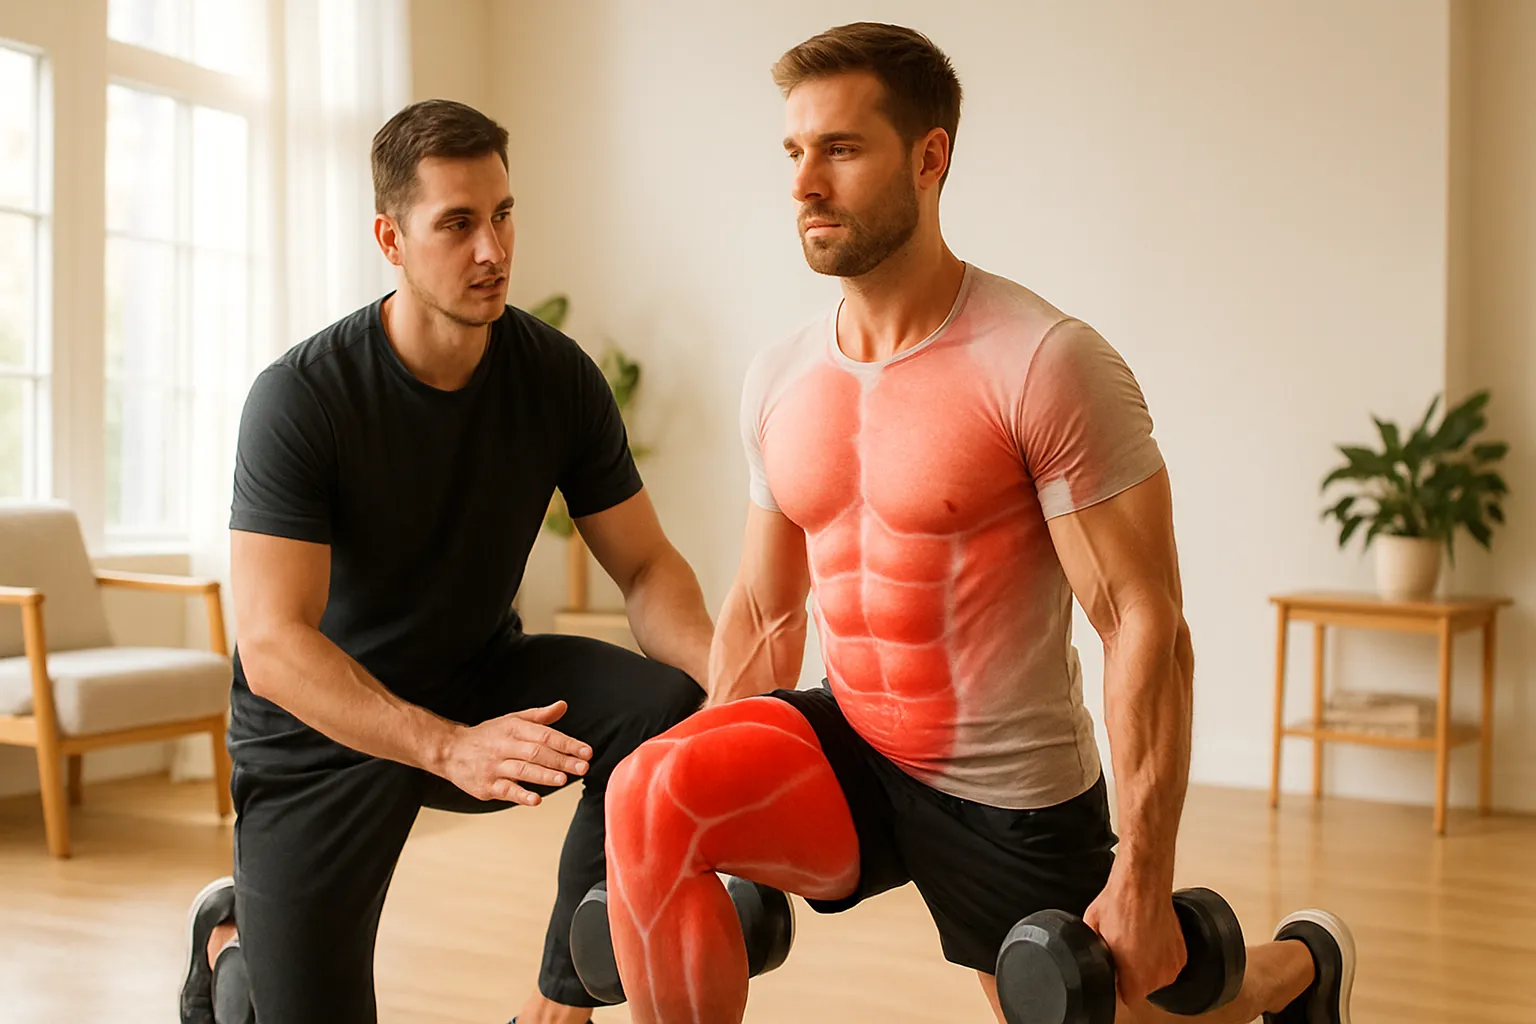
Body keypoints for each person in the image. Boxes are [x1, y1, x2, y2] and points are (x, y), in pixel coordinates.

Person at [601, 22, 1356, 1024]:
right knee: (649, 793)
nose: (804, 185)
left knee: (1126, 1001)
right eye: (794, 151)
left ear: (930, 158)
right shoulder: (780, 377)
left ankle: (1299, 968)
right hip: (851, 744)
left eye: (840, 149)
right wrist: (711, 825)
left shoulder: (1041, 361)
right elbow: (767, 613)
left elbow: (1143, 624)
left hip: (1006, 788)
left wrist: (1143, 875)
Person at [177, 98, 711, 1024]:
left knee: (662, 706)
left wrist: (731, 680)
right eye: (457, 224)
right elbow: (271, 645)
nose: (492, 251)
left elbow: (646, 566)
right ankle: (233, 947)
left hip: (477, 681)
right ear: (391, 237)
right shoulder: (301, 398)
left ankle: (559, 1004)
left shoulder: (557, 378)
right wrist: (447, 746)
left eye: (502, 215)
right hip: (323, 725)